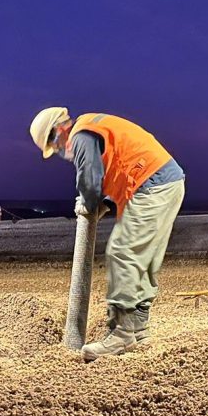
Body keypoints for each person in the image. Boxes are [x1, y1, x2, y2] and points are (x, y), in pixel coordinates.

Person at [29, 108, 185, 361]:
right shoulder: (92, 126)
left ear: (59, 131)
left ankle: (121, 334)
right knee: (143, 259)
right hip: (167, 182)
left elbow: (89, 179)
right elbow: (116, 168)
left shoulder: (80, 136)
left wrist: (88, 203)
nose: (58, 151)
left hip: (151, 183)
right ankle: (138, 330)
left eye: (54, 145)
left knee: (123, 254)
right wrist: (107, 201)